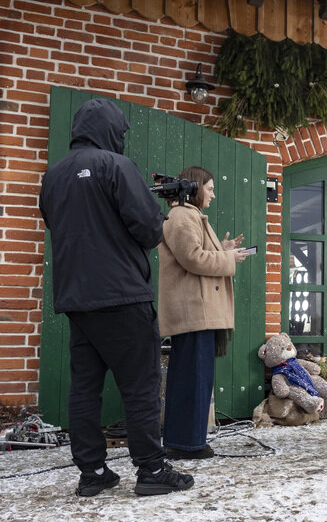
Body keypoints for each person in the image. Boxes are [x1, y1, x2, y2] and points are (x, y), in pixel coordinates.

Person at [38, 98, 194, 497]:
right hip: (122, 295)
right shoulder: (116, 166)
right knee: (140, 384)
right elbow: (147, 230)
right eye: (121, 133)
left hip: (76, 298)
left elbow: (57, 223)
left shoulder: (52, 176)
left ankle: (92, 472)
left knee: (85, 386)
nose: (122, 140)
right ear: (111, 132)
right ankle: (152, 470)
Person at [157, 166, 250, 459]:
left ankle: (188, 440)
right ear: (195, 188)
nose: (213, 193)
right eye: (209, 188)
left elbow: (197, 252)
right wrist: (227, 258)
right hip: (193, 311)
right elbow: (192, 258)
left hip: (198, 311)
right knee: (192, 379)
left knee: (196, 378)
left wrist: (223, 248)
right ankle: (185, 443)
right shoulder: (183, 215)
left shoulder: (189, 215)